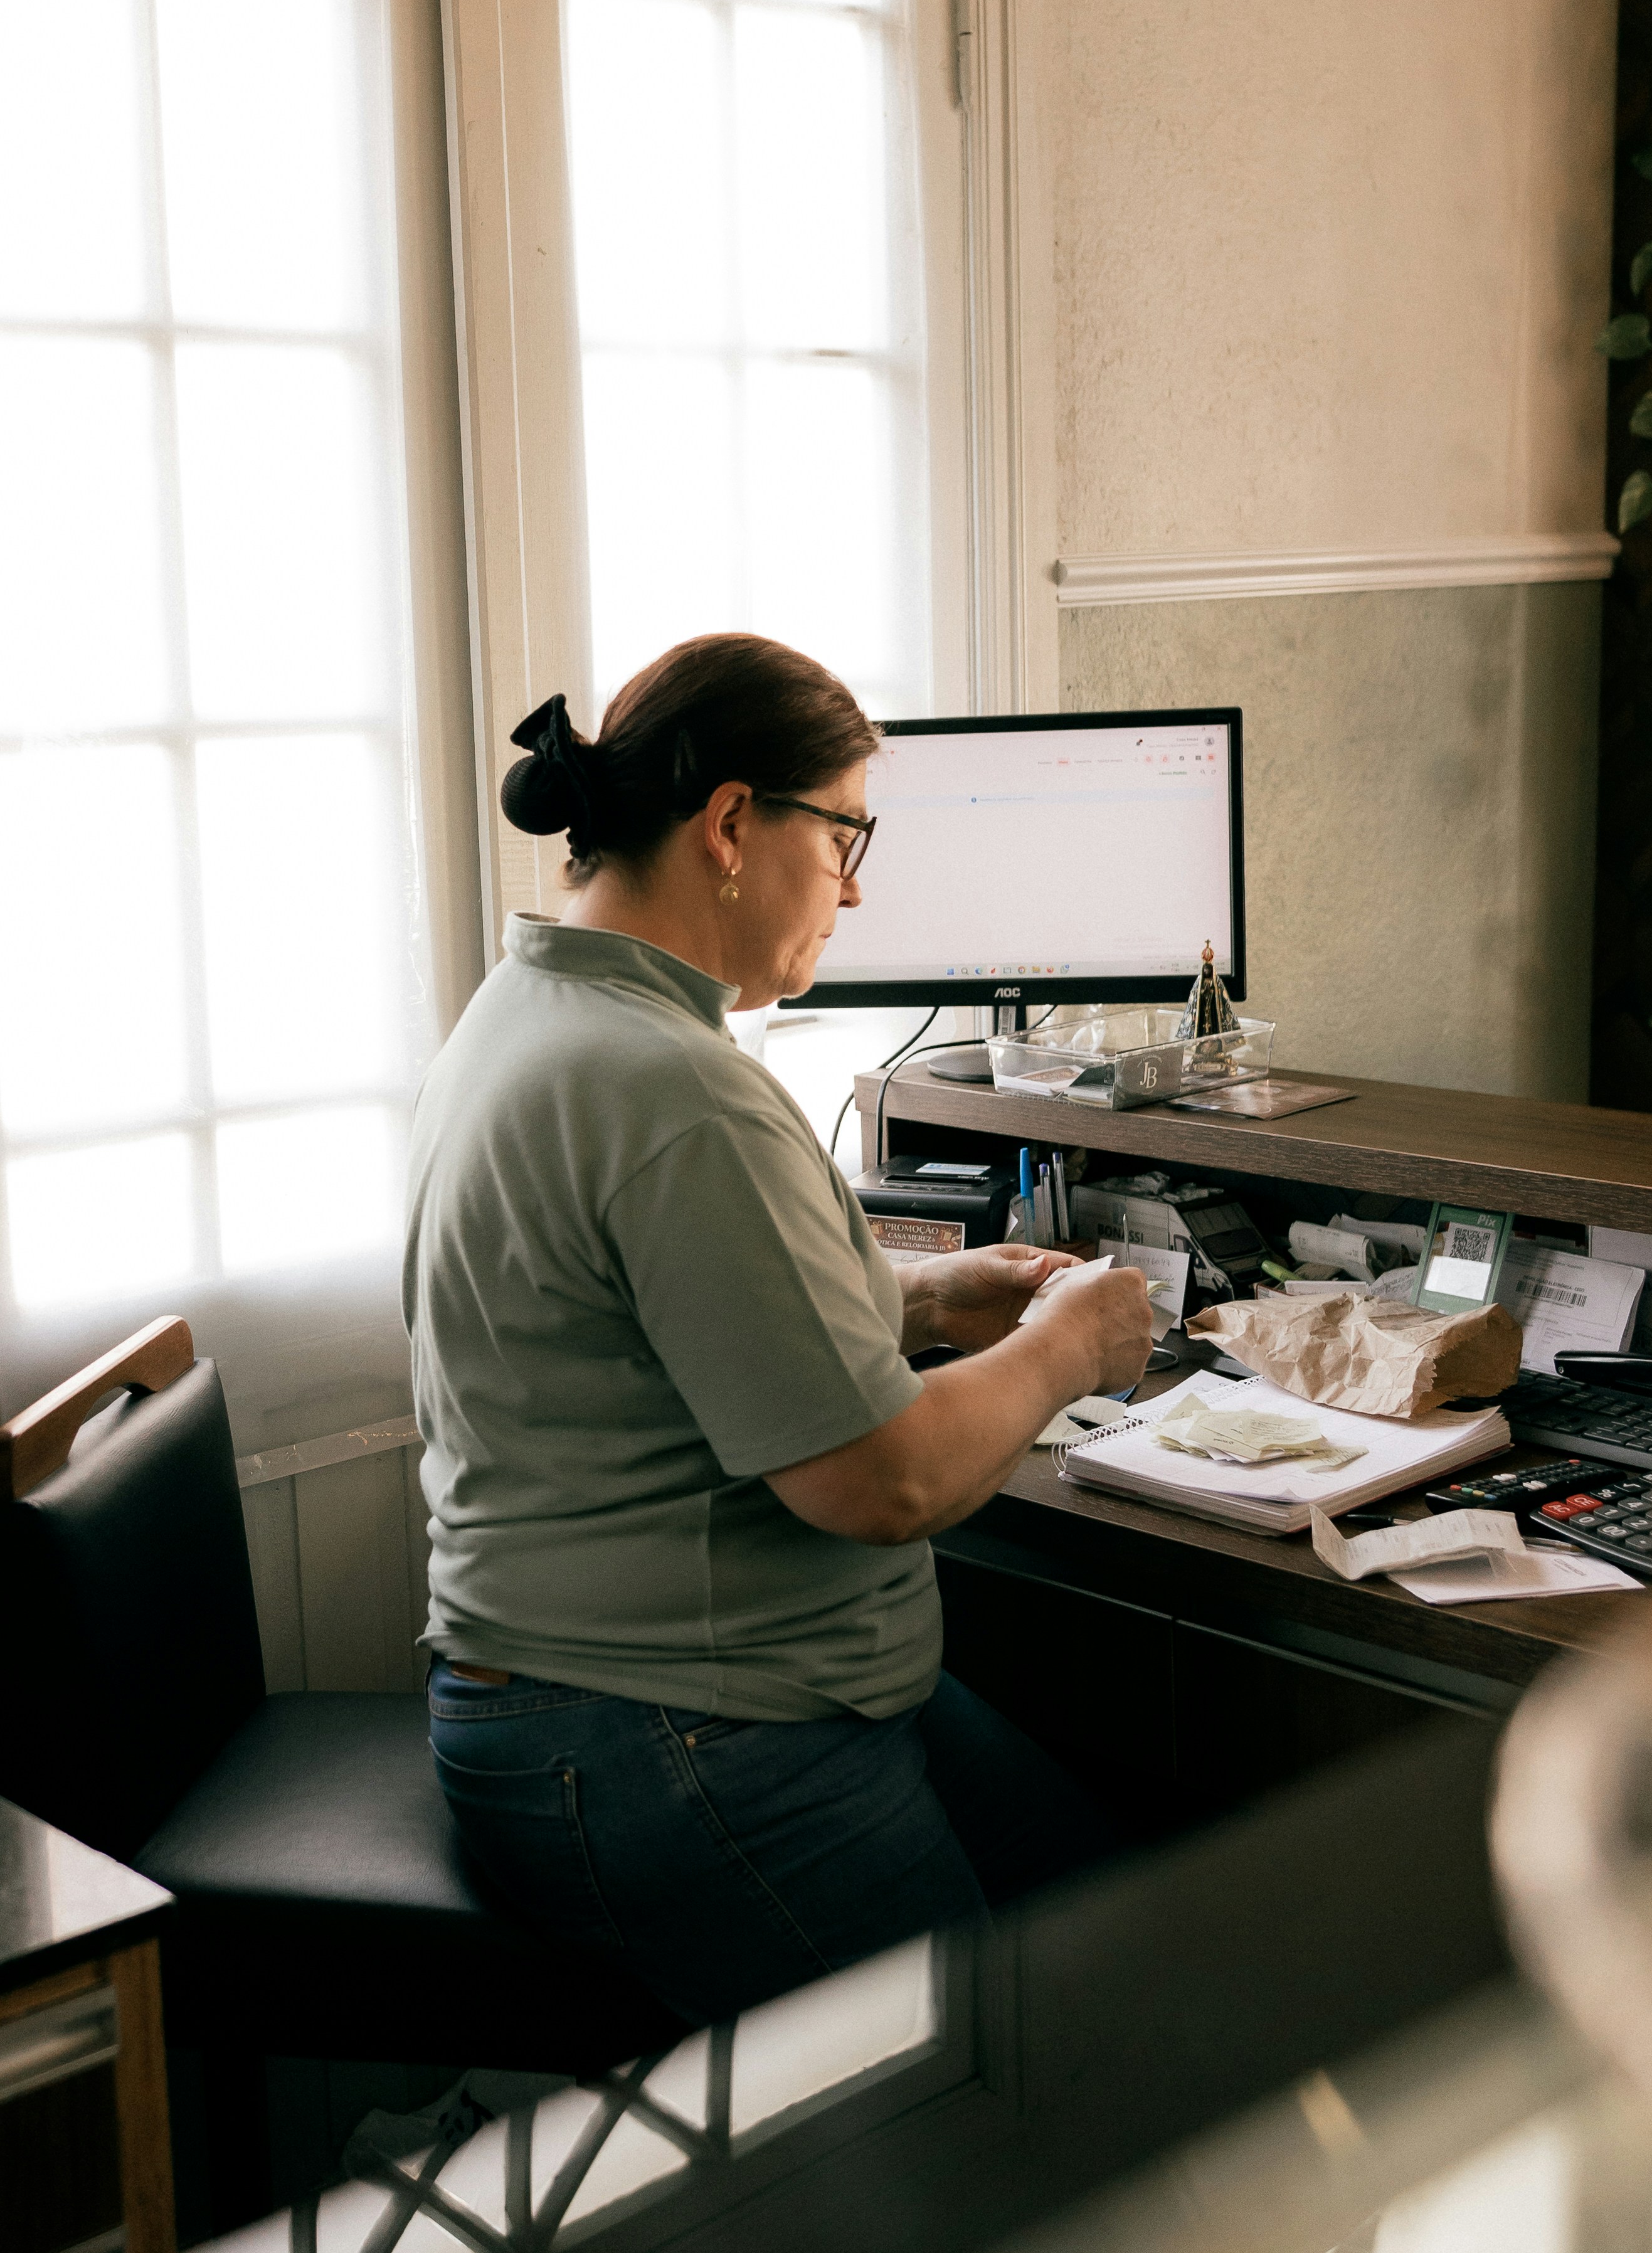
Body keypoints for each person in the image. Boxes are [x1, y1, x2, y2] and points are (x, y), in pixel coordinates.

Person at [403, 631, 1157, 2025]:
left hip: (606, 1697)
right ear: (734, 824)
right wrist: (1075, 1345)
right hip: (664, 1732)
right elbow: (882, 1483)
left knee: (1109, 1919)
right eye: (846, 835)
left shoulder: (537, 1010)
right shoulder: (673, 1089)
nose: (855, 891)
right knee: (1005, 2084)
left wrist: (923, 1297)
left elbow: (643, 1323)